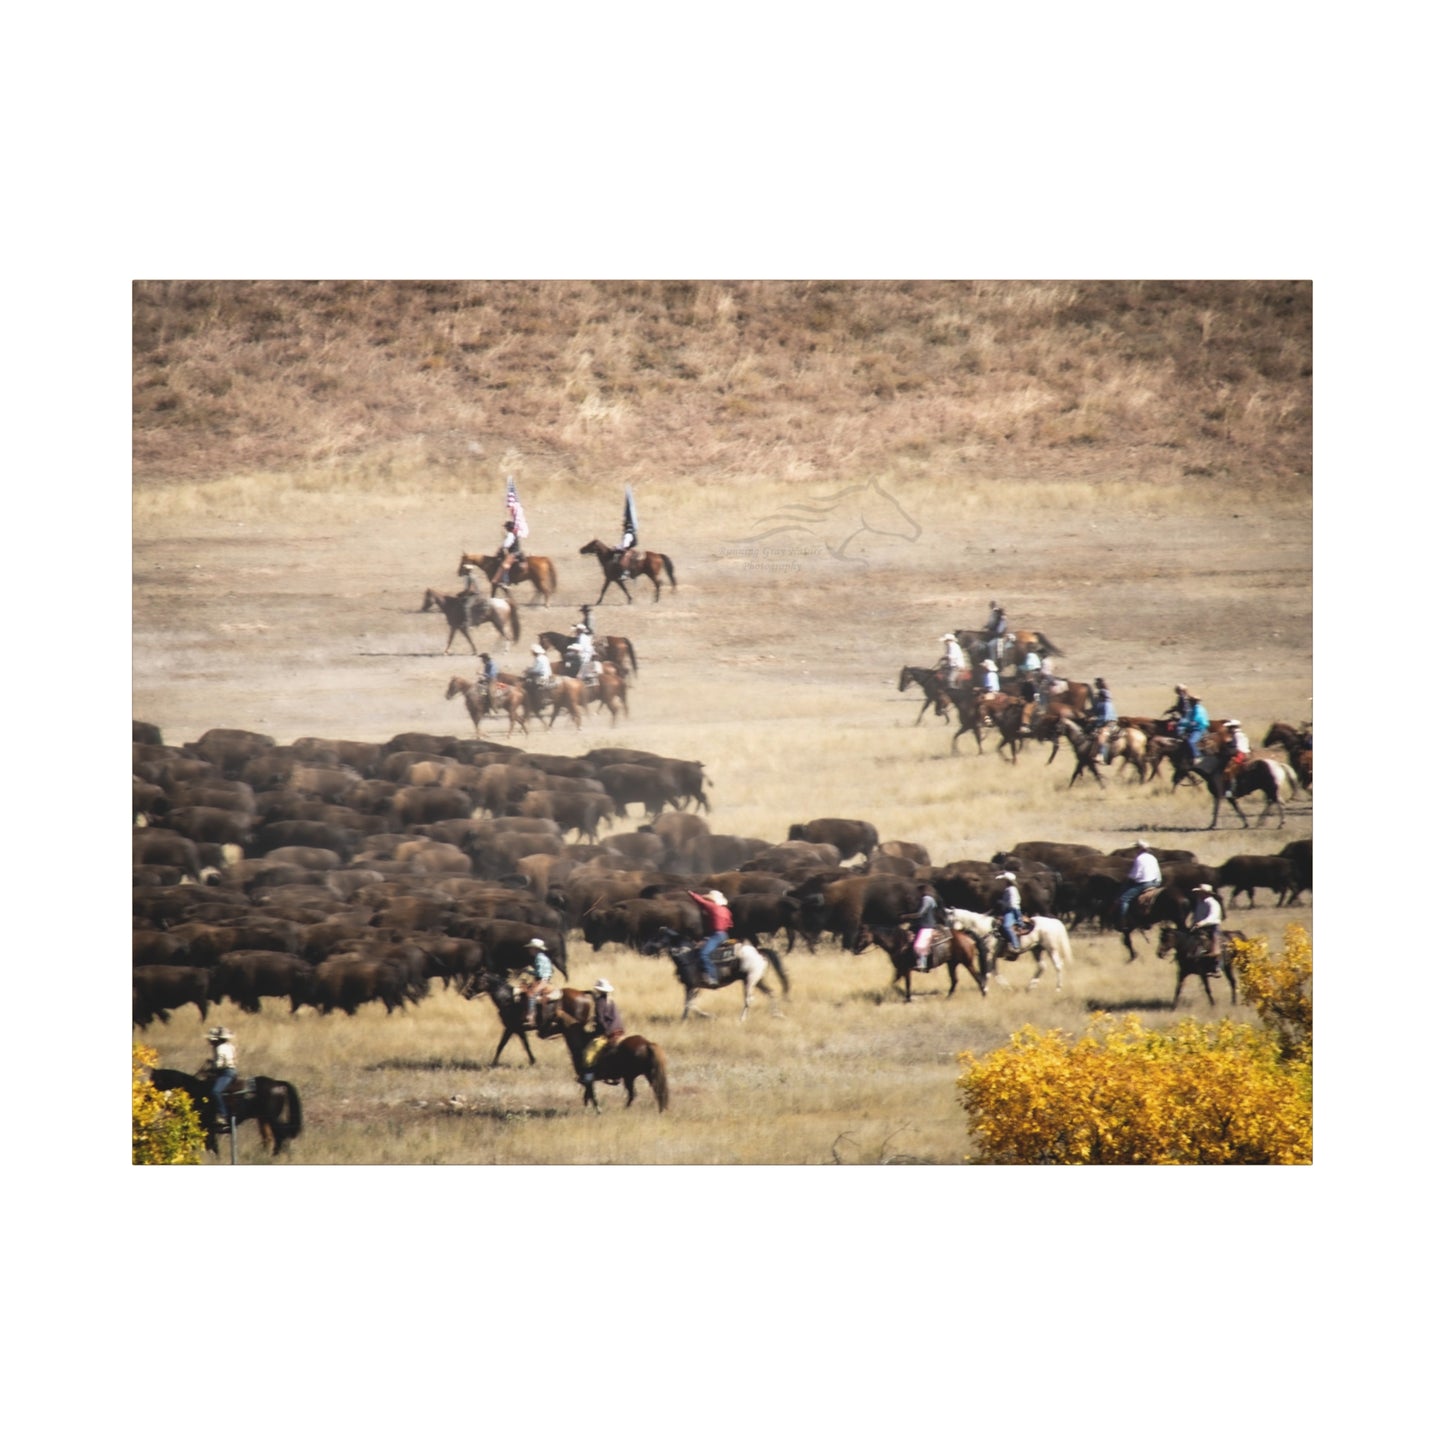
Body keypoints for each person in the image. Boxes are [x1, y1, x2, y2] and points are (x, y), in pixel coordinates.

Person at [580, 979, 625, 1085]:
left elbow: (600, 1020)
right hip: (619, 1030)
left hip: (608, 1032)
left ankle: (588, 1078)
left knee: (589, 1053)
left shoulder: (600, 1001)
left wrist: (602, 1031)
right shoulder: (611, 1000)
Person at [686, 888, 733, 985]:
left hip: (716, 935)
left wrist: (691, 893)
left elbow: (700, 901)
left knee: (703, 954)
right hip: (724, 934)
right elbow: (730, 924)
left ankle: (712, 977)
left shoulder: (712, 907)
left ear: (712, 901)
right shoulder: (726, 910)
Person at [1116, 840, 1162, 927]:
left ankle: (1122, 920)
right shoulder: (1153, 858)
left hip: (1143, 884)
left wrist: (1128, 878)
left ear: (1139, 849)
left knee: (1124, 899)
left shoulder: (1139, 858)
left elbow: (1136, 875)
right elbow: (1158, 873)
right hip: (1155, 883)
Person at [201, 1025, 237, 1131]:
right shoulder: (230, 1046)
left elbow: (219, 1064)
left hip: (225, 1073)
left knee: (215, 1091)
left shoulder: (219, 1048)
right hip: (231, 1071)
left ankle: (222, 1115)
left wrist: (210, 1068)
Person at [900, 884, 941, 970]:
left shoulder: (926, 900)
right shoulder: (929, 900)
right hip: (924, 925)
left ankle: (923, 964)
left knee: (919, 945)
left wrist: (906, 916)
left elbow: (920, 914)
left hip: (927, 926)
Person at [1186, 884, 1224, 976]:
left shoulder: (1213, 903)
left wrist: (1201, 923)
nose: (1198, 894)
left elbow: (1213, 917)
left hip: (1212, 927)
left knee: (1216, 946)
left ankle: (1217, 967)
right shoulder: (1200, 903)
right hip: (1199, 927)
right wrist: (1193, 924)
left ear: (1206, 893)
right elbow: (1196, 916)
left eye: (1200, 893)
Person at [519, 938, 554, 1027]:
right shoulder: (544, 957)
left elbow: (540, 973)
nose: (529, 950)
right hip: (545, 979)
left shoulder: (539, 958)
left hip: (542, 980)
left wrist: (528, 971)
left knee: (531, 994)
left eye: (531, 948)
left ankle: (531, 1017)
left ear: (536, 949)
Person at [993, 872, 1023, 958]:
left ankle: (1016, 946)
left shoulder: (1011, 890)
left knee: (1006, 926)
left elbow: (1012, 904)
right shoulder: (1010, 889)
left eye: (1004, 880)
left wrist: (1001, 903)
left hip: (1011, 911)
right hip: (1009, 910)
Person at [1088, 677, 1118, 762]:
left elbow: (1106, 718)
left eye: (1098, 696)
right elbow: (1094, 711)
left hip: (1109, 723)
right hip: (1103, 722)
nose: (1097, 698)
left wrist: (1094, 720)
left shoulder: (1107, 705)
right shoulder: (1102, 704)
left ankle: (1101, 755)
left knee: (1101, 735)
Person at [1222, 719, 1251, 797]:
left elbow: (1237, 747)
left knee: (1228, 770)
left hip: (1240, 754)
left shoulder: (1236, 735)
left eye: (1230, 727)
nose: (1228, 729)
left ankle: (1230, 791)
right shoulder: (1242, 734)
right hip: (1246, 753)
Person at [1179, 690, 1210, 763]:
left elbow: (1195, 721)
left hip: (1199, 728)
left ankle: (1197, 756)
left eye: (1191, 701)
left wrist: (1186, 724)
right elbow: (1188, 718)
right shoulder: (1192, 709)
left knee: (1191, 741)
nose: (1190, 702)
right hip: (1193, 727)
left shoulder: (1199, 710)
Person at [495, 520, 525, 588]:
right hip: (518, 552)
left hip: (513, 553)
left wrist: (502, 548)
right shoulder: (514, 534)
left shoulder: (510, 535)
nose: (505, 529)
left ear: (508, 528)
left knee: (504, 565)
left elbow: (506, 545)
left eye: (506, 527)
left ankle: (506, 581)